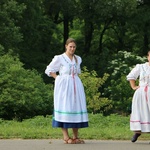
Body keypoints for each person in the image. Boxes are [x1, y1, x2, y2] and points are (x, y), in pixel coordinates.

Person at [45, 38, 89, 144]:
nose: (72, 49)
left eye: (74, 47)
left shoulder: (78, 59)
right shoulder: (60, 58)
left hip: (76, 85)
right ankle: (66, 137)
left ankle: (75, 137)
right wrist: (58, 78)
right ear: (66, 46)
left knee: (76, 107)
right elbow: (49, 70)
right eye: (70, 46)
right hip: (64, 85)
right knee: (65, 107)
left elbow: (77, 72)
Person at [126, 51, 150, 143]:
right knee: (140, 111)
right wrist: (133, 86)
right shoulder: (141, 67)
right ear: (147, 57)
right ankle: (137, 131)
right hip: (142, 92)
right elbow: (131, 76)